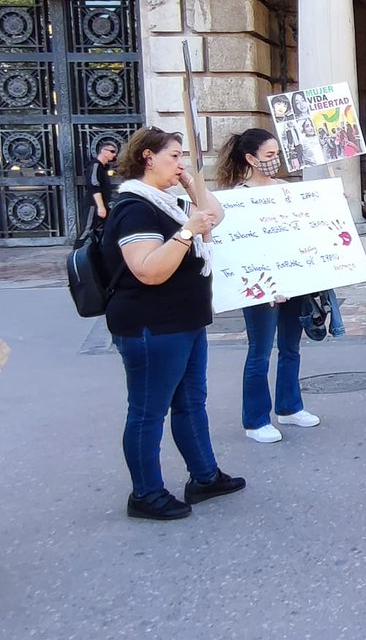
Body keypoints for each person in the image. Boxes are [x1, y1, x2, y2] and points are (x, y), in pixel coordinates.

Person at [101, 127, 243, 520]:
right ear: (148, 157)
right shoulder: (135, 207)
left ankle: (204, 476)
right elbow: (148, 271)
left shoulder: (167, 201)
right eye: (175, 156)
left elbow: (214, 215)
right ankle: (145, 494)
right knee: (148, 411)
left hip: (184, 322)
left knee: (191, 403)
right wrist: (186, 232)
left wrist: (192, 181)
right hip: (152, 327)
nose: (181, 163)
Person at [215, 128, 322, 443]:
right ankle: (256, 419)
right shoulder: (237, 198)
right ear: (250, 158)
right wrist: (264, 283)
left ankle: (290, 407)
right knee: (259, 352)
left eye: (278, 154)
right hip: (261, 288)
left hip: (294, 283)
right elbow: (239, 249)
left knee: (291, 347)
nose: (275, 161)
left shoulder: (286, 188)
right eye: (269, 155)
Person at [83, 139, 119, 232]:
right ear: (103, 151)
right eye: (112, 151)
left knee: (111, 228)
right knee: (87, 230)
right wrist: (100, 206)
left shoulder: (103, 167)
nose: (114, 154)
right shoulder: (96, 165)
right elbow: (94, 186)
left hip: (103, 204)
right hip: (94, 204)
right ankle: (80, 247)